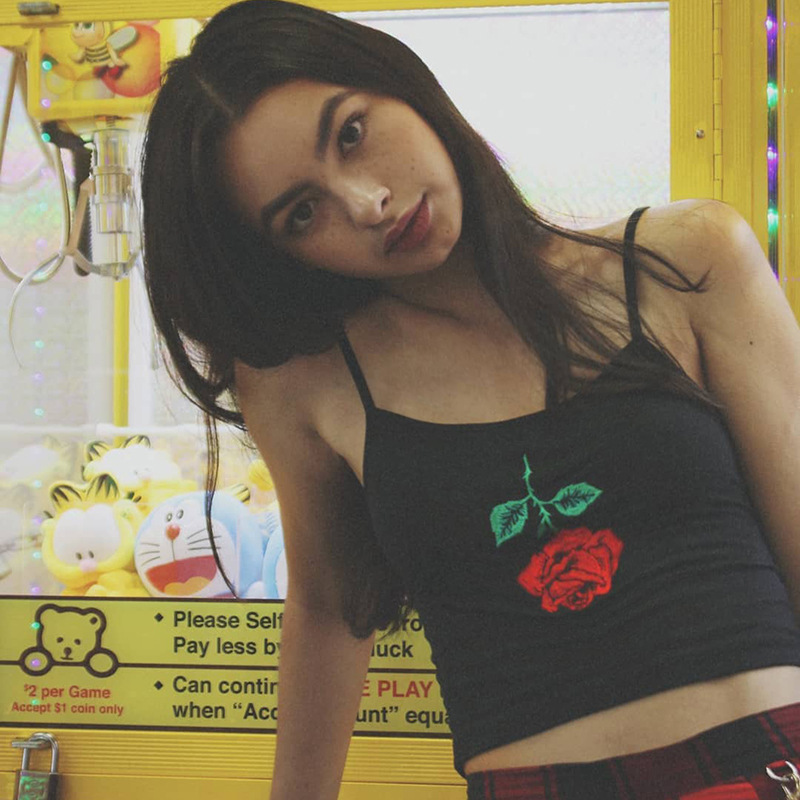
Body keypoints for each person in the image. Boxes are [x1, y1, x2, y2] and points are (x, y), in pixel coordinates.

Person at [140, 2, 800, 798]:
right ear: (280, 255)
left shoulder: (688, 259)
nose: (367, 202)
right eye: (303, 213)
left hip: (767, 765)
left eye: (351, 133)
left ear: (400, 83)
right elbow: (330, 606)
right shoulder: (305, 382)